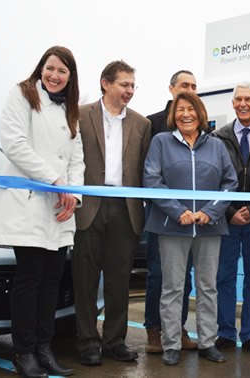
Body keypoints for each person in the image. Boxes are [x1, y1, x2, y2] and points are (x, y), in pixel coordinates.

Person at [0, 45, 83, 378]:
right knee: (29, 278)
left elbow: (77, 159)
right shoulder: (22, 94)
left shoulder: (71, 110)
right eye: (50, 68)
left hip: (59, 209)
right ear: (41, 68)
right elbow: (14, 143)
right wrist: (56, 182)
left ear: (70, 78)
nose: (54, 76)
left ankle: (44, 349)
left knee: (51, 281)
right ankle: (23, 352)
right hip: (26, 204)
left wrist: (74, 196)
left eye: (62, 71)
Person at [143, 92, 238, 366]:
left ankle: (208, 342)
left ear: (200, 113)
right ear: (174, 114)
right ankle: (171, 344)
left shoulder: (217, 145)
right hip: (172, 228)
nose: (186, 114)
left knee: (208, 287)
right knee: (172, 288)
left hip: (210, 227)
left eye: (191, 109)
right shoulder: (161, 142)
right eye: (180, 109)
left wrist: (210, 212)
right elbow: (151, 181)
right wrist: (179, 211)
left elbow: (230, 183)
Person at [72, 60, 152, 366]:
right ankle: (87, 341)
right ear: (106, 83)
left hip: (125, 208)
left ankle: (114, 340)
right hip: (89, 206)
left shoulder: (142, 124)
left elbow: (145, 170)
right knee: (85, 278)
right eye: (124, 84)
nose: (129, 90)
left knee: (119, 280)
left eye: (132, 85)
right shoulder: (80, 115)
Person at [212, 83, 250, 354]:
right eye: (238, 99)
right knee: (223, 277)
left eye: (249, 99)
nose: (243, 104)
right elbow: (211, 179)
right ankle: (225, 333)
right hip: (226, 219)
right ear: (233, 103)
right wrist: (229, 211)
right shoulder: (217, 137)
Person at [144, 70, 198, 353]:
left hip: (191, 219)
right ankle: (154, 329)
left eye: (193, 86)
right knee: (159, 274)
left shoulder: (202, 128)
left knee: (184, 276)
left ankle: (178, 327)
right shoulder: (151, 124)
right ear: (171, 89)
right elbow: (149, 174)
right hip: (160, 215)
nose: (189, 89)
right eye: (184, 85)